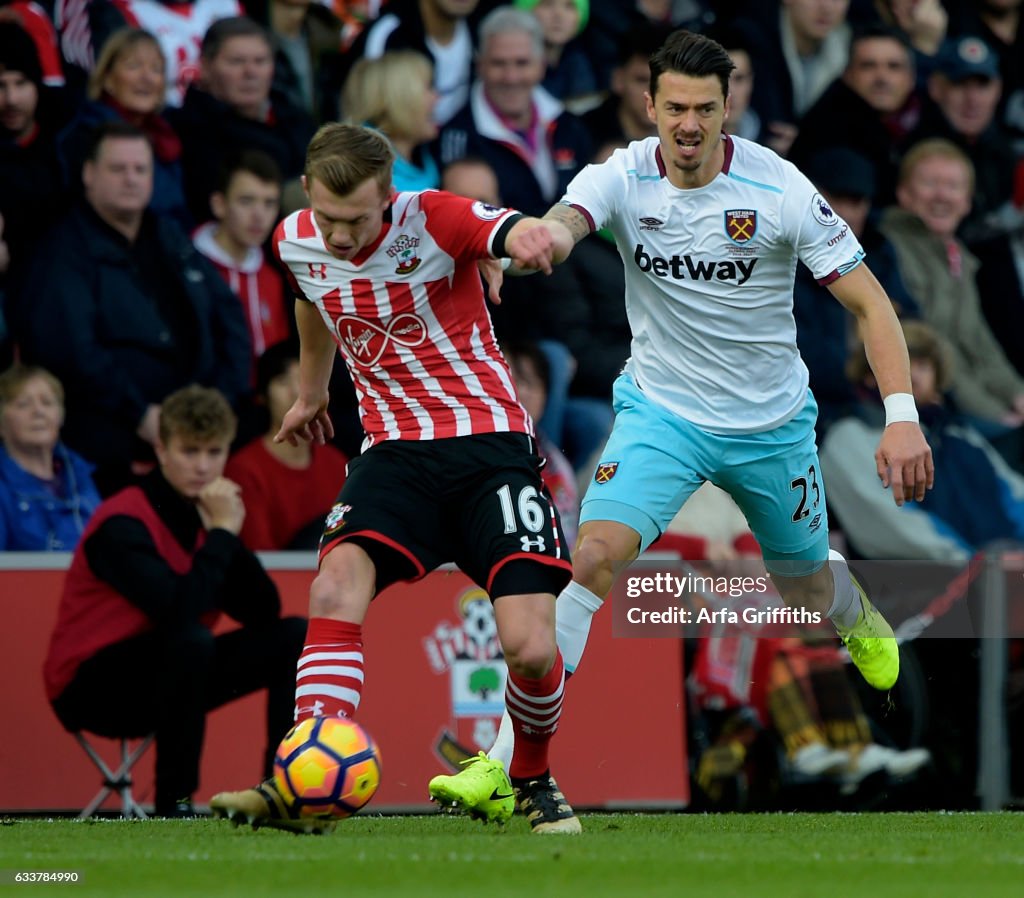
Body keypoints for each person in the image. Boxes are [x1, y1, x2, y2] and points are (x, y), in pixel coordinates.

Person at [470, 28, 934, 776]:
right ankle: (505, 764)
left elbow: (873, 306)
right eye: (676, 106)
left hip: (770, 426)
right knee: (590, 556)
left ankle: (848, 604)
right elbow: (561, 227)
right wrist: (522, 245)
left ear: (729, 111)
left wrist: (903, 420)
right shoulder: (620, 175)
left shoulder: (777, 187)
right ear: (648, 104)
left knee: (801, 583)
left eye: (706, 109)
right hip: (663, 414)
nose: (689, 124)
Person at [208, 123, 581, 835]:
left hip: (489, 448)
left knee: (531, 647)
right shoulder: (295, 238)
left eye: (358, 220)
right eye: (329, 217)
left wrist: (526, 239)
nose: (341, 236)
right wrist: (313, 392)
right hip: (394, 455)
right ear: (309, 192)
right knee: (333, 586)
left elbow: (500, 228)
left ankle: (529, 775)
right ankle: (301, 784)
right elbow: (311, 300)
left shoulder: (432, 216)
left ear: (390, 196)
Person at [43, 384, 306, 818]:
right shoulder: (123, 520)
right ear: (161, 449)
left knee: (293, 635)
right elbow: (176, 610)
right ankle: (176, 802)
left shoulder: (208, 511)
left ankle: (280, 792)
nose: (203, 467)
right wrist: (221, 534)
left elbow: (264, 611)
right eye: (190, 451)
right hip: (91, 686)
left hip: (173, 671)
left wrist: (226, 534)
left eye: (214, 452)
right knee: (191, 640)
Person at [18, 120, 251, 496]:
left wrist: (222, 402)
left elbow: (229, 315)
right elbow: (75, 352)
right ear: (89, 174)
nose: (131, 179)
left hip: (194, 434)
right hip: (113, 445)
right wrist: (140, 414)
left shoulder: (168, 234)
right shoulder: (63, 252)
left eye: (140, 169)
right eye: (118, 168)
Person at [438, 5, 592, 217]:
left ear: (541, 66)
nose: (511, 77)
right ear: (480, 65)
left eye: (522, 63)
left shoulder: (568, 124)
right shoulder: (457, 138)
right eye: (498, 63)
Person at [166, 16, 315, 224]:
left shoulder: (295, 117)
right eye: (236, 61)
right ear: (205, 67)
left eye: (260, 61)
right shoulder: (189, 131)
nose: (250, 72)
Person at [56, 27, 189, 227]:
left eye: (156, 69)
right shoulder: (85, 135)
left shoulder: (167, 136)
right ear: (108, 79)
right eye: (134, 66)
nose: (147, 78)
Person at [225, 341, 348, 551]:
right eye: (282, 382)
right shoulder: (244, 470)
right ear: (262, 396)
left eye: (303, 381)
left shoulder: (337, 464)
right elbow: (262, 556)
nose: (295, 393)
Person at [193, 149, 291, 370]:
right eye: (247, 201)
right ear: (219, 204)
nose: (259, 215)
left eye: (269, 203)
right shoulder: (189, 269)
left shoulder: (273, 277)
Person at [0, 363, 101, 551]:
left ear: (60, 416)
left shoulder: (80, 474)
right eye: (23, 404)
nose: (38, 412)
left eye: (47, 402)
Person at [341, 49, 440, 191]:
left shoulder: (428, 160)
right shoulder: (364, 179)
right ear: (398, 99)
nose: (436, 98)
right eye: (428, 88)